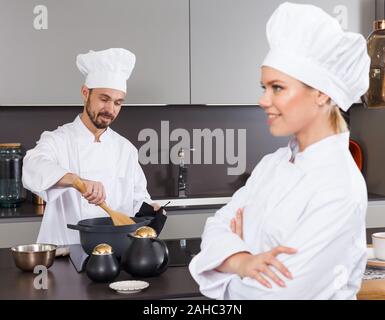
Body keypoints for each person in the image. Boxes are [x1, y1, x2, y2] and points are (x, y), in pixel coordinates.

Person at [189, 2, 370, 300]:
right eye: (264, 86)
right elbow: (215, 227)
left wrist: (231, 254)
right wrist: (243, 261)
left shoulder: (339, 187)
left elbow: (276, 295)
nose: (263, 99)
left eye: (277, 87)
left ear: (322, 92)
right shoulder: (273, 164)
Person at [23, 48, 162, 245]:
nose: (110, 110)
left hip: (114, 251)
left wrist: (151, 208)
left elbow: (137, 198)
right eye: (104, 99)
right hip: (66, 251)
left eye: (118, 103)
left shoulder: (125, 149)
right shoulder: (58, 140)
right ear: (85, 93)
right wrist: (75, 180)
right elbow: (32, 167)